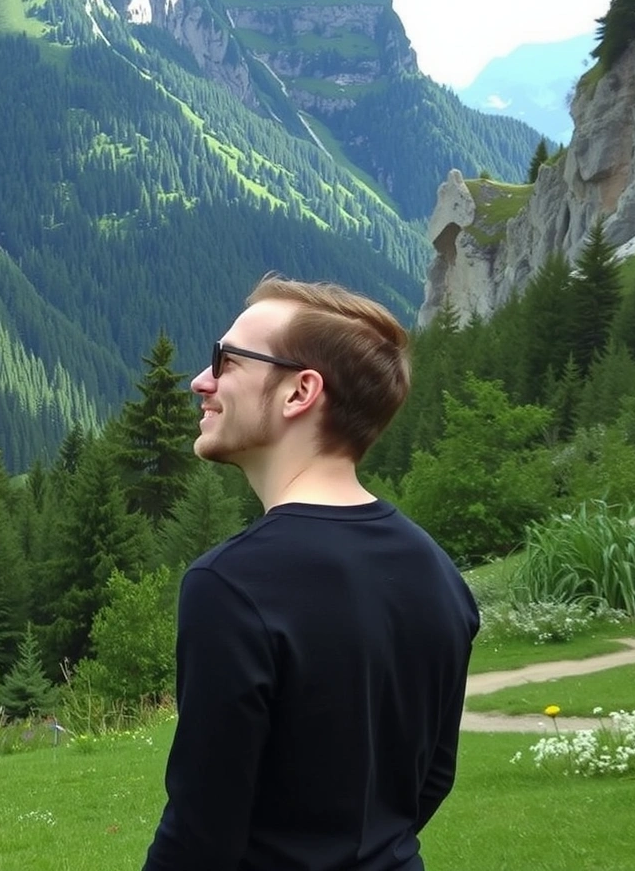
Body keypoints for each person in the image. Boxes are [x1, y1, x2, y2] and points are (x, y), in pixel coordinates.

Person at [142, 275, 478, 871]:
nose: (201, 381)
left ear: (300, 391)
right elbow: (431, 780)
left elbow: (200, 834)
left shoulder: (231, 585)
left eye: (226, 361)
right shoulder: (439, 574)